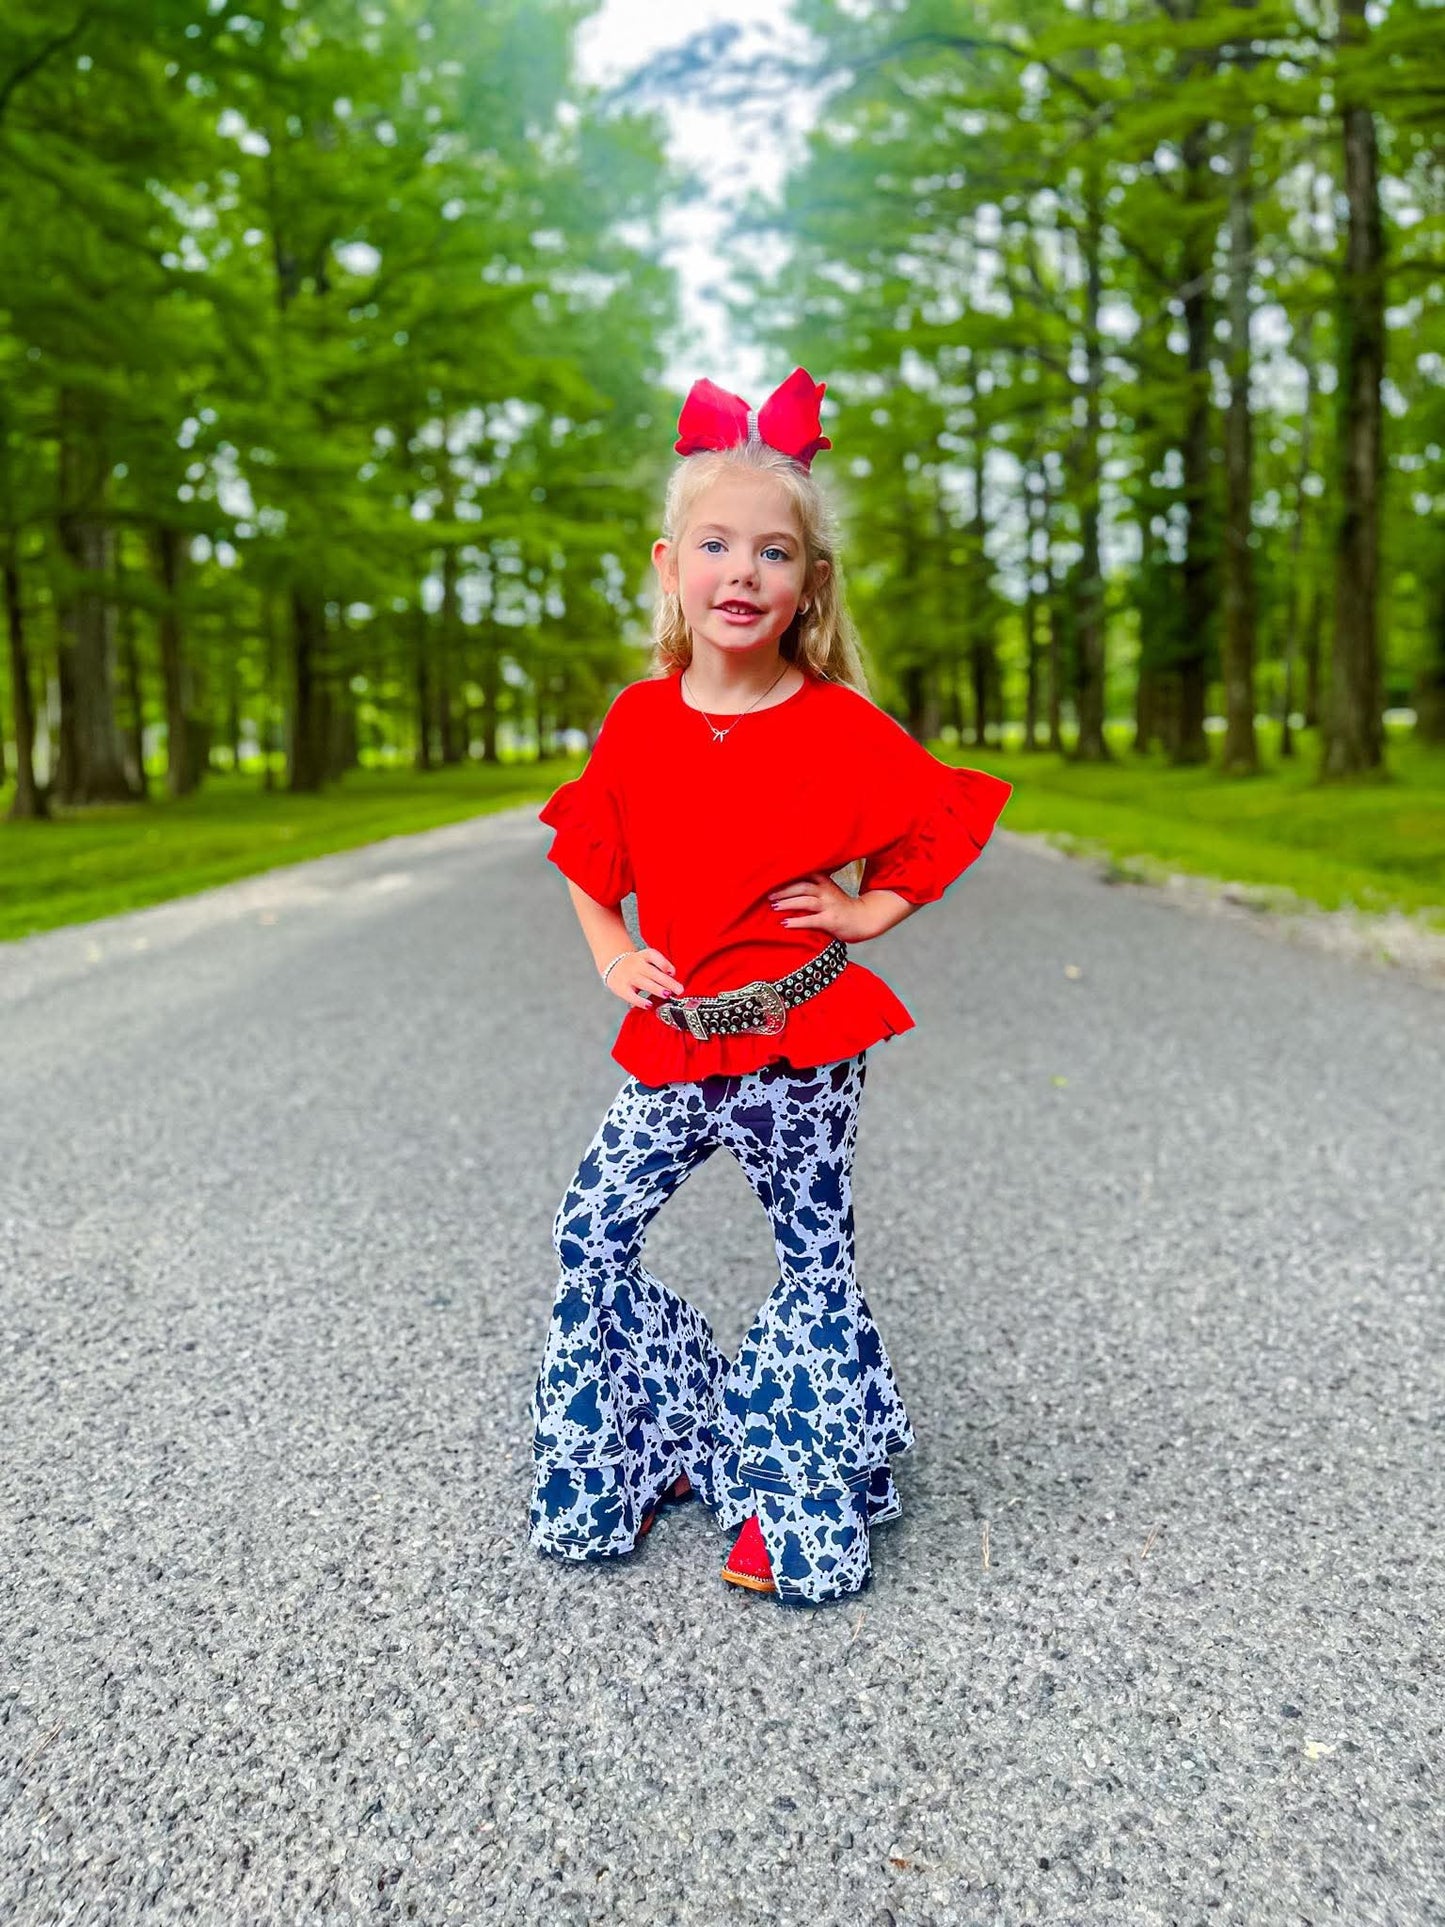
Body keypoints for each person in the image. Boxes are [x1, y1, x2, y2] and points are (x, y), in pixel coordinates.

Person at [527, 368, 1012, 1606]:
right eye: (715, 545)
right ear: (668, 563)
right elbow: (589, 853)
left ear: (808, 584)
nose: (741, 572)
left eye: (774, 552)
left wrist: (870, 911)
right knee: (591, 1232)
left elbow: (944, 816)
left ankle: (790, 1494)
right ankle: (665, 1434)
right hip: (677, 1041)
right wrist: (610, 954)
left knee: (810, 1256)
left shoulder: (837, 723)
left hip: (799, 1037)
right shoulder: (638, 720)